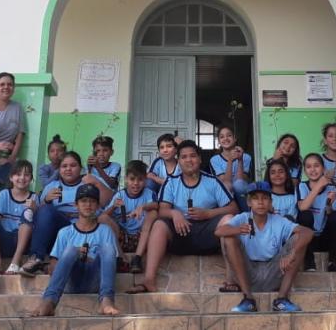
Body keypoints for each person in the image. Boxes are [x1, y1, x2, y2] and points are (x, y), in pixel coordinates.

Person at [127, 140, 238, 294]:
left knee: (229, 220)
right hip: (181, 234)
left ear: (200, 159)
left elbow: (234, 208)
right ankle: (148, 280)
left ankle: (231, 279)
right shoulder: (171, 182)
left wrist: (209, 213)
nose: (189, 160)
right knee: (159, 224)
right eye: (184, 157)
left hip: (208, 234)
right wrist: (175, 213)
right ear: (178, 161)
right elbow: (162, 210)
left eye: (193, 156)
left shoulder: (212, 181)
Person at [216, 182, 314, 313]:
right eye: (255, 198)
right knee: (228, 236)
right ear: (249, 202)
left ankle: (282, 300)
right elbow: (219, 232)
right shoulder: (243, 218)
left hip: (273, 274)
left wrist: (292, 254)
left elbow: (308, 232)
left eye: (265, 198)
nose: (260, 202)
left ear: (270, 202)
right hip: (248, 274)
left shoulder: (279, 220)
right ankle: (248, 299)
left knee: (299, 238)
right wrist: (237, 230)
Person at [31, 184, 121, 317]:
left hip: (94, 281)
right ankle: (49, 301)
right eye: (84, 201)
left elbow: (113, 263)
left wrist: (90, 260)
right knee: (71, 250)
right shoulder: (65, 232)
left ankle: (107, 300)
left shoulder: (105, 230)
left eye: (92, 201)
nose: (88, 205)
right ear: (76, 205)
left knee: (108, 247)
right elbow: (53, 267)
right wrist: (75, 255)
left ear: (97, 206)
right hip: (70, 281)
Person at [24, 151, 111, 275]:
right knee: (45, 210)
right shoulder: (51, 186)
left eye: (73, 165)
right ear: (59, 170)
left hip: (84, 230)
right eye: (64, 166)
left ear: (81, 168)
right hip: (58, 234)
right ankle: (36, 258)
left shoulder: (88, 182)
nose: (68, 169)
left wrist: (96, 183)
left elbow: (109, 201)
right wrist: (46, 200)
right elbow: (39, 216)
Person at [97, 160, 158, 274]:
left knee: (153, 212)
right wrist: (113, 207)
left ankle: (137, 258)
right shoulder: (120, 195)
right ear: (126, 179)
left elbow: (156, 205)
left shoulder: (149, 193)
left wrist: (143, 207)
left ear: (145, 180)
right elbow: (102, 217)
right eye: (132, 179)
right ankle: (122, 258)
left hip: (142, 237)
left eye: (140, 179)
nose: (136, 183)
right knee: (102, 218)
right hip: (122, 238)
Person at [0, 160, 37, 276]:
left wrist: (35, 209)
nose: (22, 178)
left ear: (31, 178)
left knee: (28, 213)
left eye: (26, 175)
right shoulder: (4, 194)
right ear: (11, 177)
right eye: (18, 174)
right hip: (4, 240)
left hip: (23, 242)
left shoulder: (34, 197)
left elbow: (37, 224)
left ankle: (15, 262)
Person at [296, 153, 336, 272]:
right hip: (307, 239)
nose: (313, 170)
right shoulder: (301, 186)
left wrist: (329, 204)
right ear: (305, 171)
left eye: (316, 166)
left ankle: (333, 262)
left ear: (323, 169)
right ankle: (309, 262)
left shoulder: (331, 188)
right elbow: (303, 207)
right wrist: (319, 186)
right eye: (308, 167)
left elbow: (330, 214)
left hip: (324, 237)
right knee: (305, 215)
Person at [210, 125, 252, 199]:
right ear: (219, 141)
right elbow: (225, 182)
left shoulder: (246, 157)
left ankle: (244, 209)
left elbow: (241, 180)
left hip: (242, 192)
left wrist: (240, 160)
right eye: (222, 137)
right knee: (227, 186)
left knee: (238, 184)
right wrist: (230, 160)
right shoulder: (215, 159)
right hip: (225, 194)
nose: (225, 138)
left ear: (235, 138)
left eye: (229, 135)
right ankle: (232, 209)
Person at [87, 135, 122, 201]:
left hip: (110, 201)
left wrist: (98, 167)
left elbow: (111, 185)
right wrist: (89, 169)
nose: (101, 154)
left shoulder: (115, 166)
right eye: (98, 151)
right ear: (94, 152)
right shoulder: (89, 166)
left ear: (111, 152)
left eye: (105, 150)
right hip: (93, 200)